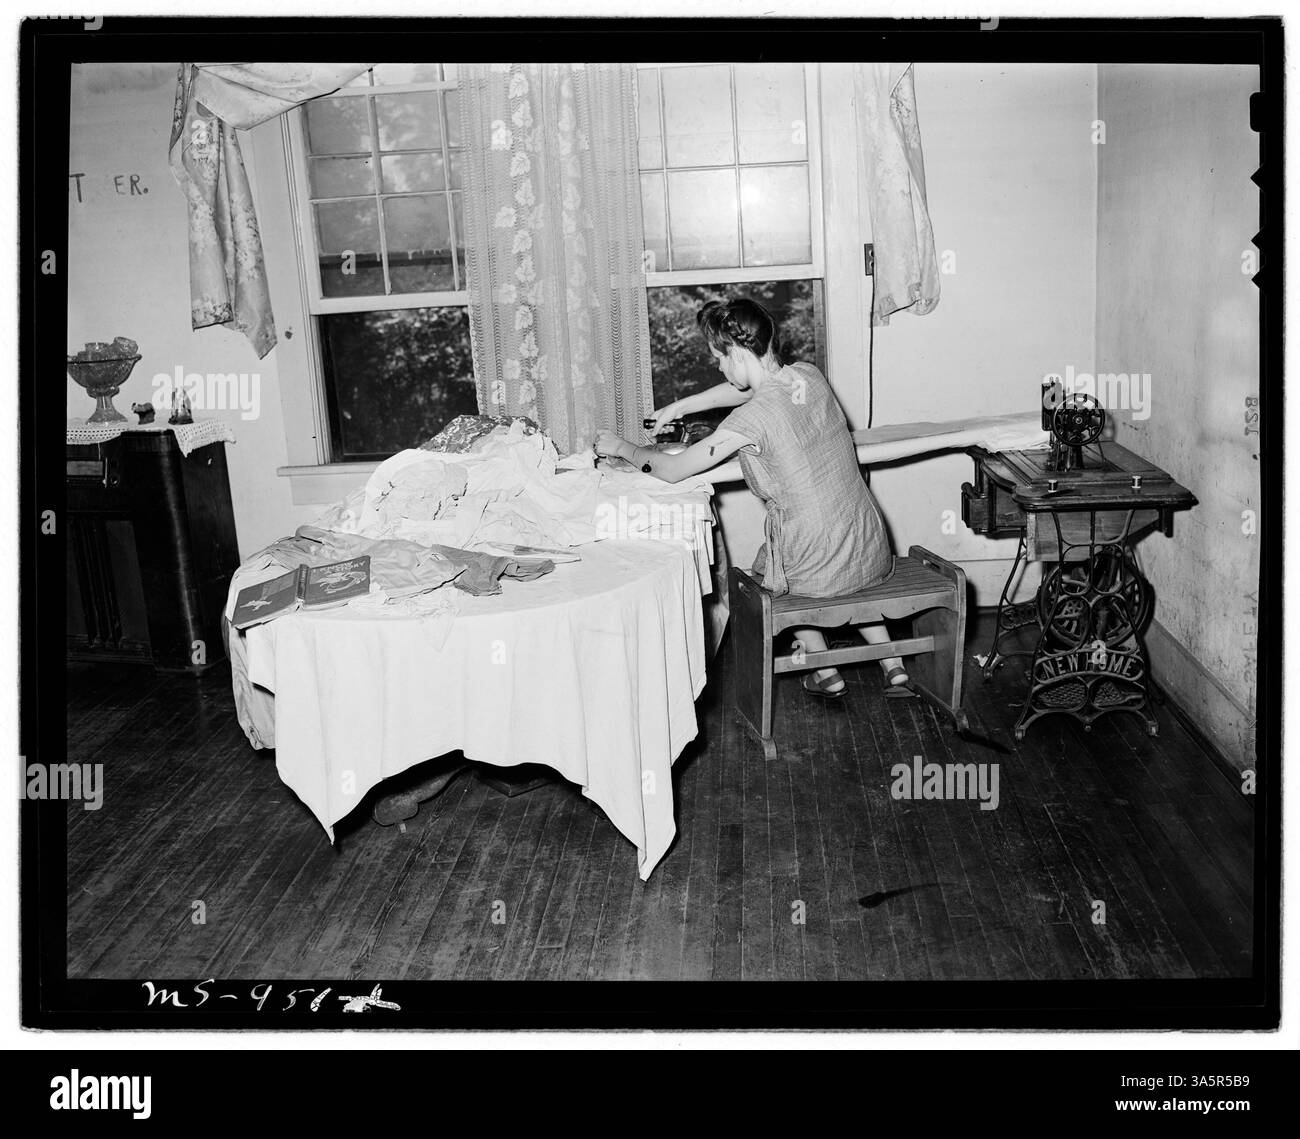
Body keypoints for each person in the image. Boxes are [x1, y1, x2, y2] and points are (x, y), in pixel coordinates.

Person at [594, 297, 906, 697]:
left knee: (772, 569)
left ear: (738, 352)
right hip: (868, 543)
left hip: (815, 561)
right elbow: (749, 390)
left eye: (719, 360)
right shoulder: (807, 377)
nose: (719, 368)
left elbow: (672, 471)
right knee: (840, 560)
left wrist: (623, 448)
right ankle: (893, 664)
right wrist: (680, 406)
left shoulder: (750, 420)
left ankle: (826, 672)